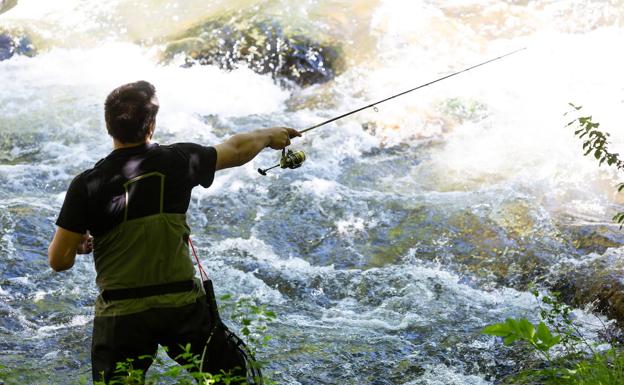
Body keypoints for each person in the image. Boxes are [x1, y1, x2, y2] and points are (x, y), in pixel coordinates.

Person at [47, 80, 300, 383]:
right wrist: (269, 134)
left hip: (121, 315)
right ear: (151, 124)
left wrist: (77, 244)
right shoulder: (180, 160)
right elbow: (235, 148)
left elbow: (58, 261)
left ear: (108, 125)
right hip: (182, 307)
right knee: (229, 378)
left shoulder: (87, 184)